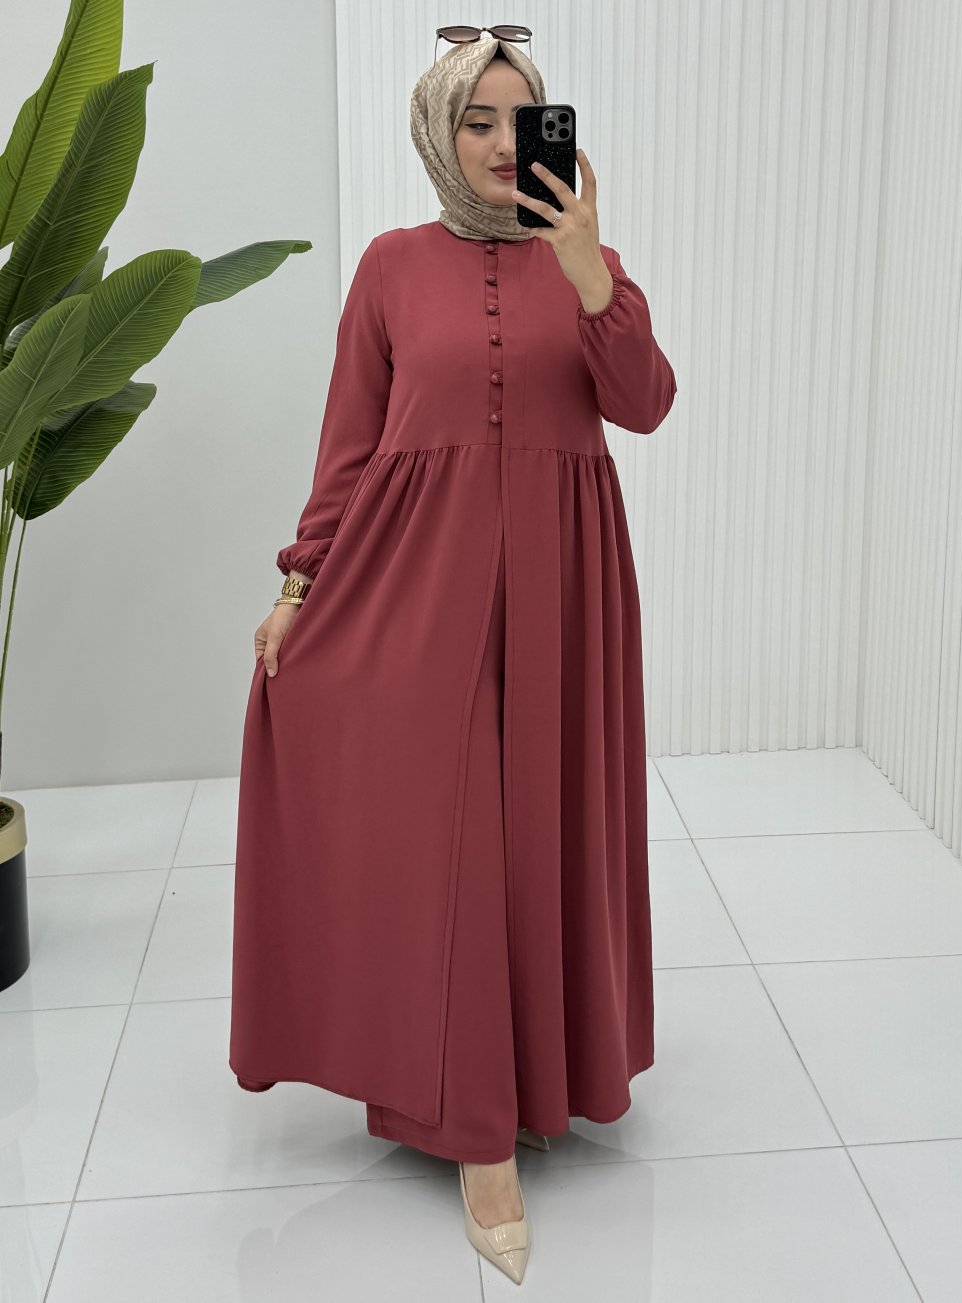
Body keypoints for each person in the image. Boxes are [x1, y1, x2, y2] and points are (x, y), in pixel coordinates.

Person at [229, 30, 677, 1286]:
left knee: (535, 829)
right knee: (450, 833)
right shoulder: (387, 266)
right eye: (474, 119)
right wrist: (300, 582)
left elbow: (644, 403)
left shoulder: (590, 263)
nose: (496, 143)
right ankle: (478, 1130)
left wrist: (587, 273)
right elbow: (350, 443)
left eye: (519, 120)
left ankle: (531, 1076)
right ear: (437, 130)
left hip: (562, 587)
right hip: (411, 582)